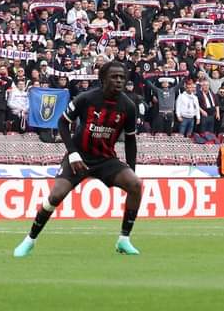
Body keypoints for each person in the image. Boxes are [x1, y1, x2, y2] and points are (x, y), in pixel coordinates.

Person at [14, 61, 142, 257]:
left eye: (122, 77)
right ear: (103, 79)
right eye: (114, 77)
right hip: (79, 156)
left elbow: (131, 140)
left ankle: (124, 239)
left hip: (106, 159)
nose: (119, 81)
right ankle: (29, 240)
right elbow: (62, 123)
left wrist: (132, 169)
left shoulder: (128, 106)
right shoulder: (86, 98)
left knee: (135, 185)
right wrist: (72, 153)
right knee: (56, 195)